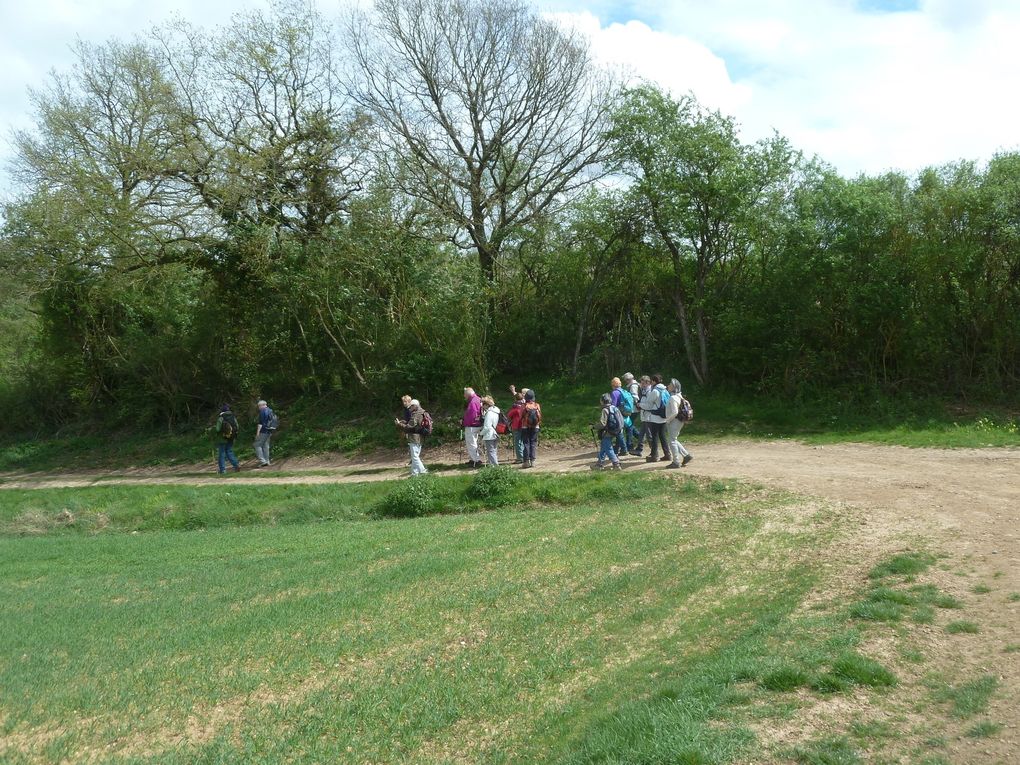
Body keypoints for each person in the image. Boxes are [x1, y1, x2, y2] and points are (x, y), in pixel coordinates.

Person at [638, 375, 671, 463]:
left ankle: (654, 456)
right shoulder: (664, 389)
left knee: (655, 436)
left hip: (656, 417)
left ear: (653, 381)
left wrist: (640, 405)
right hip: (664, 415)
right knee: (663, 436)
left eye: (652, 381)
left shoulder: (655, 391)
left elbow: (649, 405)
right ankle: (667, 454)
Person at [663, 379, 694, 468]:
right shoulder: (679, 396)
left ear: (674, 387)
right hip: (679, 421)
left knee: (672, 441)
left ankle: (676, 462)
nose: (668, 386)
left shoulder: (673, 398)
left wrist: (667, 420)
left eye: (670, 384)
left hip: (674, 421)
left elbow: (675, 412)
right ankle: (686, 455)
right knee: (674, 439)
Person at [395, 398, 429, 476]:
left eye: (411, 407)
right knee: (415, 456)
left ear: (414, 406)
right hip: (421, 437)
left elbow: (409, 427)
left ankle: (423, 471)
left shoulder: (416, 414)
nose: (409, 408)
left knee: (415, 457)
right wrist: (404, 422)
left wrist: (399, 424)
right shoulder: (423, 412)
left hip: (415, 437)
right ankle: (414, 473)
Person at [595, 393, 623, 470]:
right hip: (617, 431)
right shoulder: (615, 408)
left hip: (607, 432)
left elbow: (602, 424)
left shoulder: (605, 410)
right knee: (604, 447)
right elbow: (621, 420)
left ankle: (616, 464)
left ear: (603, 401)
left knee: (608, 448)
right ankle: (599, 464)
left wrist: (594, 426)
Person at [214, 404, 240, 474]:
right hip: (231, 438)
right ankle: (236, 465)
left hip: (222, 438)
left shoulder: (221, 418)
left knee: (222, 454)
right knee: (229, 451)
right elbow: (237, 426)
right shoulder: (233, 417)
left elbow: (217, 429)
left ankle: (223, 470)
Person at [610, 377, 633, 456]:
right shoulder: (624, 391)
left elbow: (613, 405)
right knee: (627, 428)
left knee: (619, 432)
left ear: (613, 385)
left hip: (619, 414)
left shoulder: (614, 393)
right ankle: (618, 448)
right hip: (626, 413)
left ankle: (624, 449)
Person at [519, 389, 542, 469]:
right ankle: (533, 461)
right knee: (533, 443)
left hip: (525, 427)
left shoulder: (523, 406)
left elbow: (520, 416)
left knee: (526, 443)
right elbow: (540, 416)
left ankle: (526, 462)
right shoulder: (537, 405)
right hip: (535, 427)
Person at [462, 387, 484, 468]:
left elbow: (472, 415)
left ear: (468, 394)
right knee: (473, 443)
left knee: (471, 443)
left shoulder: (472, 401)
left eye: (464, 395)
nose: (464, 396)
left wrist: (464, 422)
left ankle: (476, 460)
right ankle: (473, 458)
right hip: (478, 425)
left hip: (472, 425)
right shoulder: (478, 398)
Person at [254, 399, 277, 467]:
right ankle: (267, 461)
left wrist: (257, 433)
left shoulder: (262, 411)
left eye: (259, 406)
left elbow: (261, 423)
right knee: (265, 446)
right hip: (269, 430)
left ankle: (262, 461)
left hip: (263, 431)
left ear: (262, 405)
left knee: (257, 445)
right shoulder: (270, 410)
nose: (258, 407)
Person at [479, 396, 501, 466]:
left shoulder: (489, 413)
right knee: (493, 451)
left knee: (490, 451)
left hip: (489, 435)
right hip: (494, 433)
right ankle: (492, 465)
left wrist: (481, 433)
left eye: (483, 405)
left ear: (486, 405)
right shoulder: (495, 411)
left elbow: (487, 427)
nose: (482, 407)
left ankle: (495, 466)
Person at [506, 391, 526, 463]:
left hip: (516, 426)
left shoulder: (515, 408)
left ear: (515, 399)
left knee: (517, 442)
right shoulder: (524, 406)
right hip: (524, 426)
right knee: (523, 441)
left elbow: (508, 416)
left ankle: (520, 458)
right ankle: (524, 456)